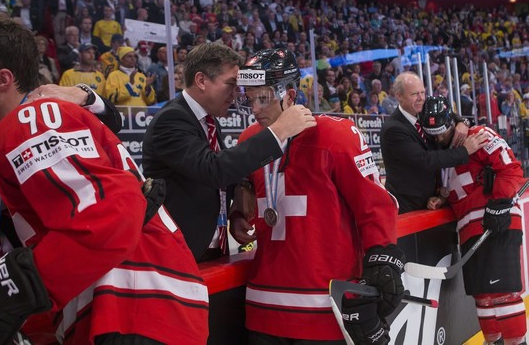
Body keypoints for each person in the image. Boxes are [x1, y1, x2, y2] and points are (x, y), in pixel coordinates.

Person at [0, 12, 208, 344]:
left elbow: (108, 216)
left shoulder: (30, 119)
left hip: (128, 304)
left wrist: (12, 289)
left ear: (2, 79)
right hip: (149, 301)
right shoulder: (45, 116)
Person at [229, 48, 404, 344]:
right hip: (263, 307)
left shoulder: (335, 135)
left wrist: (382, 259)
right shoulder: (249, 140)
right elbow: (246, 190)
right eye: (250, 98)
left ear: (290, 95)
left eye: (264, 98)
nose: (256, 109)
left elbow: (374, 206)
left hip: (326, 303)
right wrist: (237, 211)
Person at [142, 42, 317, 262]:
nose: (236, 94)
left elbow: (213, 179)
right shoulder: (171, 120)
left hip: (209, 249)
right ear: (201, 81)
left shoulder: (208, 120)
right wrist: (278, 131)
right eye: (231, 84)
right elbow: (213, 170)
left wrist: (238, 203)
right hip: (177, 255)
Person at [422, 96, 527, 345]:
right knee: (483, 297)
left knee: (503, 294)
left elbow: (510, 169)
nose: (438, 139)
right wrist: (441, 199)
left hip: (498, 224)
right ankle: (494, 342)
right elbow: (460, 191)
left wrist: (500, 204)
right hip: (469, 231)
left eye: (442, 133)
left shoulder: (479, 135)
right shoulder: (444, 158)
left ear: (452, 122)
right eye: (432, 135)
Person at [381, 71, 489, 214]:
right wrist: (465, 150)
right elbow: (426, 160)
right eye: (414, 94)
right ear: (399, 96)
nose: (421, 98)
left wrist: (462, 122)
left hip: (432, 201)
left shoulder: (422, 111)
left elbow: (447, 115)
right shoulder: (393, 129)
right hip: (408, 207)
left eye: (422, 93)